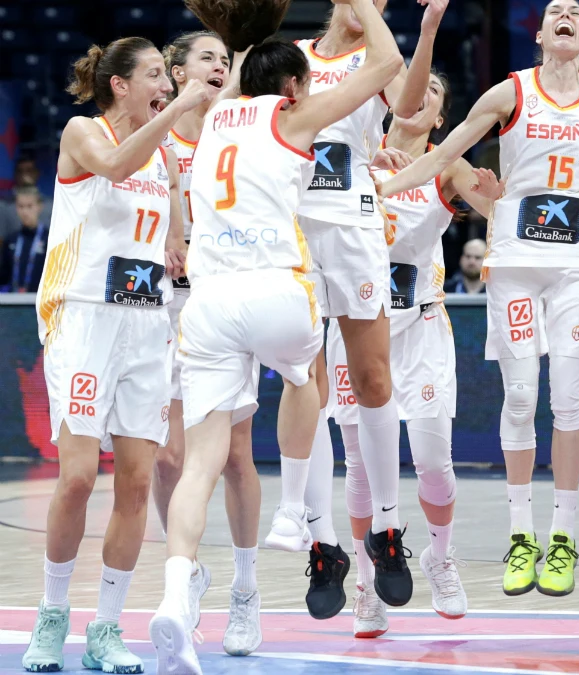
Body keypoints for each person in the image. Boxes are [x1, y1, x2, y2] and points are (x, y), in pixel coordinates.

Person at [146, 0, 407, 669]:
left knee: (202, 460)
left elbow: (239, 79)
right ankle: (294, 512)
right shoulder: (292, 117)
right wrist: (359, 8)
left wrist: (240, 43)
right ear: (294, 87)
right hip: (275, 288)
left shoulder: (209, 123)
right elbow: (387, 65)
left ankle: (177, 592)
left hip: (206, 304)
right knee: (303, 376)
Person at [380, 0, 579, 598]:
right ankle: (522, 537)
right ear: (540, 34)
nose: (565, 14)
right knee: (521, 396)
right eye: (554, 11)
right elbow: (442, 156)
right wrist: (380, 186)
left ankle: (562, 537)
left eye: (575, 11)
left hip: (572, 265)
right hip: (515, 263)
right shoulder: (510, 92)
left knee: (566, 401)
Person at [23, 36, 201, 674]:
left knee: (135, 480)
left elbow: (172, 221)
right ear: (120, 84)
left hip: (147, 324)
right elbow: (119, 165)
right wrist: (174, 114)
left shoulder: (168, 157)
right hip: (84, 317)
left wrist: (179, 235)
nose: (166, 83)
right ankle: (52, 613)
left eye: (167, 75)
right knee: (76, 477)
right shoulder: (83, 131)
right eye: (155, 74)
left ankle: (106, 626)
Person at [323, 69, 501, 636]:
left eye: (431, 94)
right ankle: (366, 583)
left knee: (433, 466)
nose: (416, 95)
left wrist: (496, 200)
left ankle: (440, 557)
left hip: (420, 323)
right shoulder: (354, 156)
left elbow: (492, 204)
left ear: (439, 118)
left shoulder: (445, 166)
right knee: (358, 469)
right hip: (355, 322)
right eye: (410, 87)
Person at [294, 0, 443, 615]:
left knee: (373, 377)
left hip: (354, 225)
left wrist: (427, 23)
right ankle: (323, 542)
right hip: (296, 223)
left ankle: (386, 528)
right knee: (304, 381)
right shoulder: (295, 57)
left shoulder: (378, 55)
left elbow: (407, 108)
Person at [153, 31, 266, 656]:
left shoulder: (239, 128)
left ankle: (246, 591)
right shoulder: (157, 135)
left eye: (226, 60)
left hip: (223, 298)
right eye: (207, 58)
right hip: (163, 305)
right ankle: (187, 570)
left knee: (236, 452)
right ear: (174, 72)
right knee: (169, 458)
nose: (220, 67)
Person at [0, 187, 49, 293]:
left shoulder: (49, 239)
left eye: (29, 206)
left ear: (39, 207)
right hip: (13, 302)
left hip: (41, 301)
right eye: (21, 206)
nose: (25, 211)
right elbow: (4, 276)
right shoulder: (11, 240)